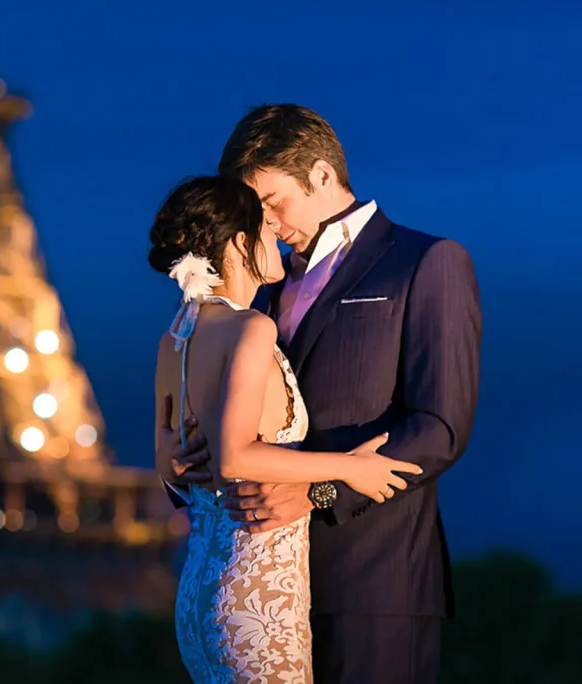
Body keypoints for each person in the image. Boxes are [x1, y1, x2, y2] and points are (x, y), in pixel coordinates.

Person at [160, 105, 482, 684]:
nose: (264, 223)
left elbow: (440, 427)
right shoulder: (257, 293)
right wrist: (191, 465)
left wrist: (320, 492)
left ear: (323, 176)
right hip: (261, 588)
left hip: (372, 586)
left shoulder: (427, 262)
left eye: (271, 201)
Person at [150, 174, 422, 683]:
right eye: (263, 224)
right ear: (238, 243)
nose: (274, 231)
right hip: (257, 593)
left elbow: (172, 462)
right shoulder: (251, 327)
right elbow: (234, 457)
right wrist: (348, 468)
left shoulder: (177, 337)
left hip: (198, 596)